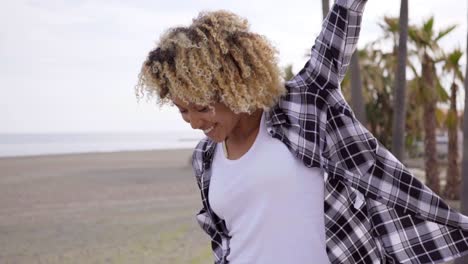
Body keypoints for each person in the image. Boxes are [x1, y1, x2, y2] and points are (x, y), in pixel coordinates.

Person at [136, 0, 468, 263]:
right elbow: (225, 238)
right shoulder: (204, 159)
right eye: (183, 110)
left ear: (233, 83)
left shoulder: (302, 105)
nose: (194, 121)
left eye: (203, 106)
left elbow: (342, 20)